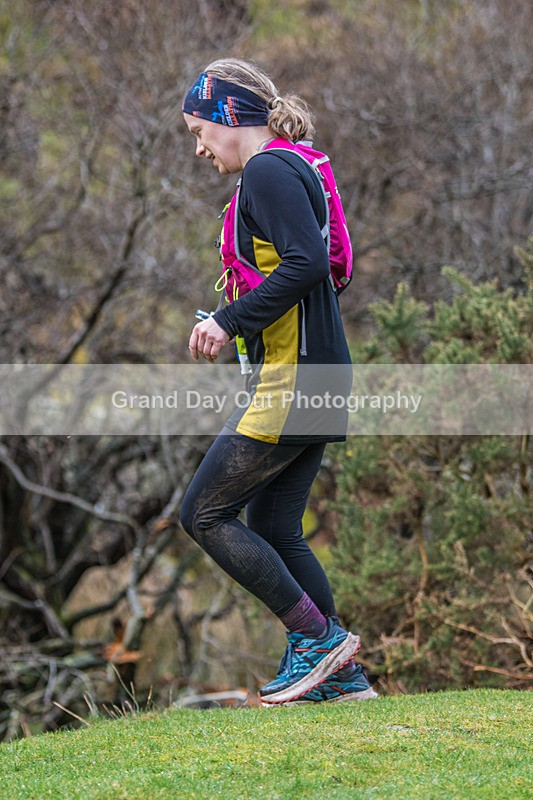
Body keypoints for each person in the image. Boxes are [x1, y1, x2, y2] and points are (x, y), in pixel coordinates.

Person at [179, 58, 377, 705]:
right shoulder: (293, 166)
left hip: (295, 379)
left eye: (198, 129)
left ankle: (318, 644)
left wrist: (227, 320)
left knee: (203, 513)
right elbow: (314, 266)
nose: (198, 147)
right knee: (273, 522)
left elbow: (307, 262)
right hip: (319, 372)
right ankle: (341, 680)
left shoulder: (267, 169)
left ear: (229, 116)